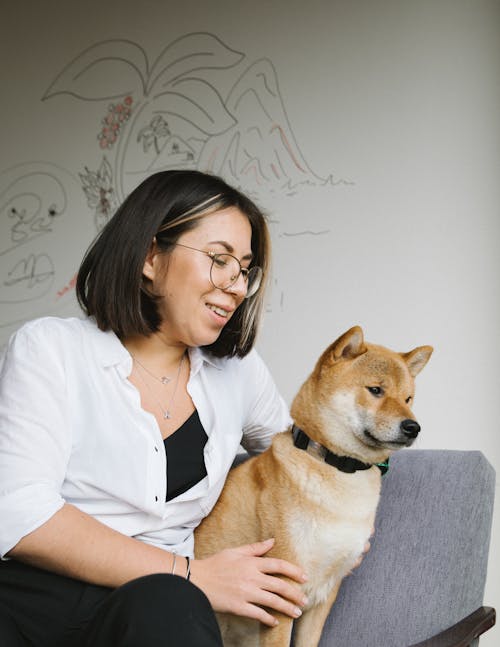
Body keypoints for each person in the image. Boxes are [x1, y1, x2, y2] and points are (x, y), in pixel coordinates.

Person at [0, 170, 309, 646]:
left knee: (170, 607)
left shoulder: (238, 373)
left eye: (244, 269)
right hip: (34, 600)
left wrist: (349, 499)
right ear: (149, 258)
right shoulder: (50, 348)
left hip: (154, 610)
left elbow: (303, 459)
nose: (236, 285)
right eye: (220, 259)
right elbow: (20, 515)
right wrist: (193, 574)